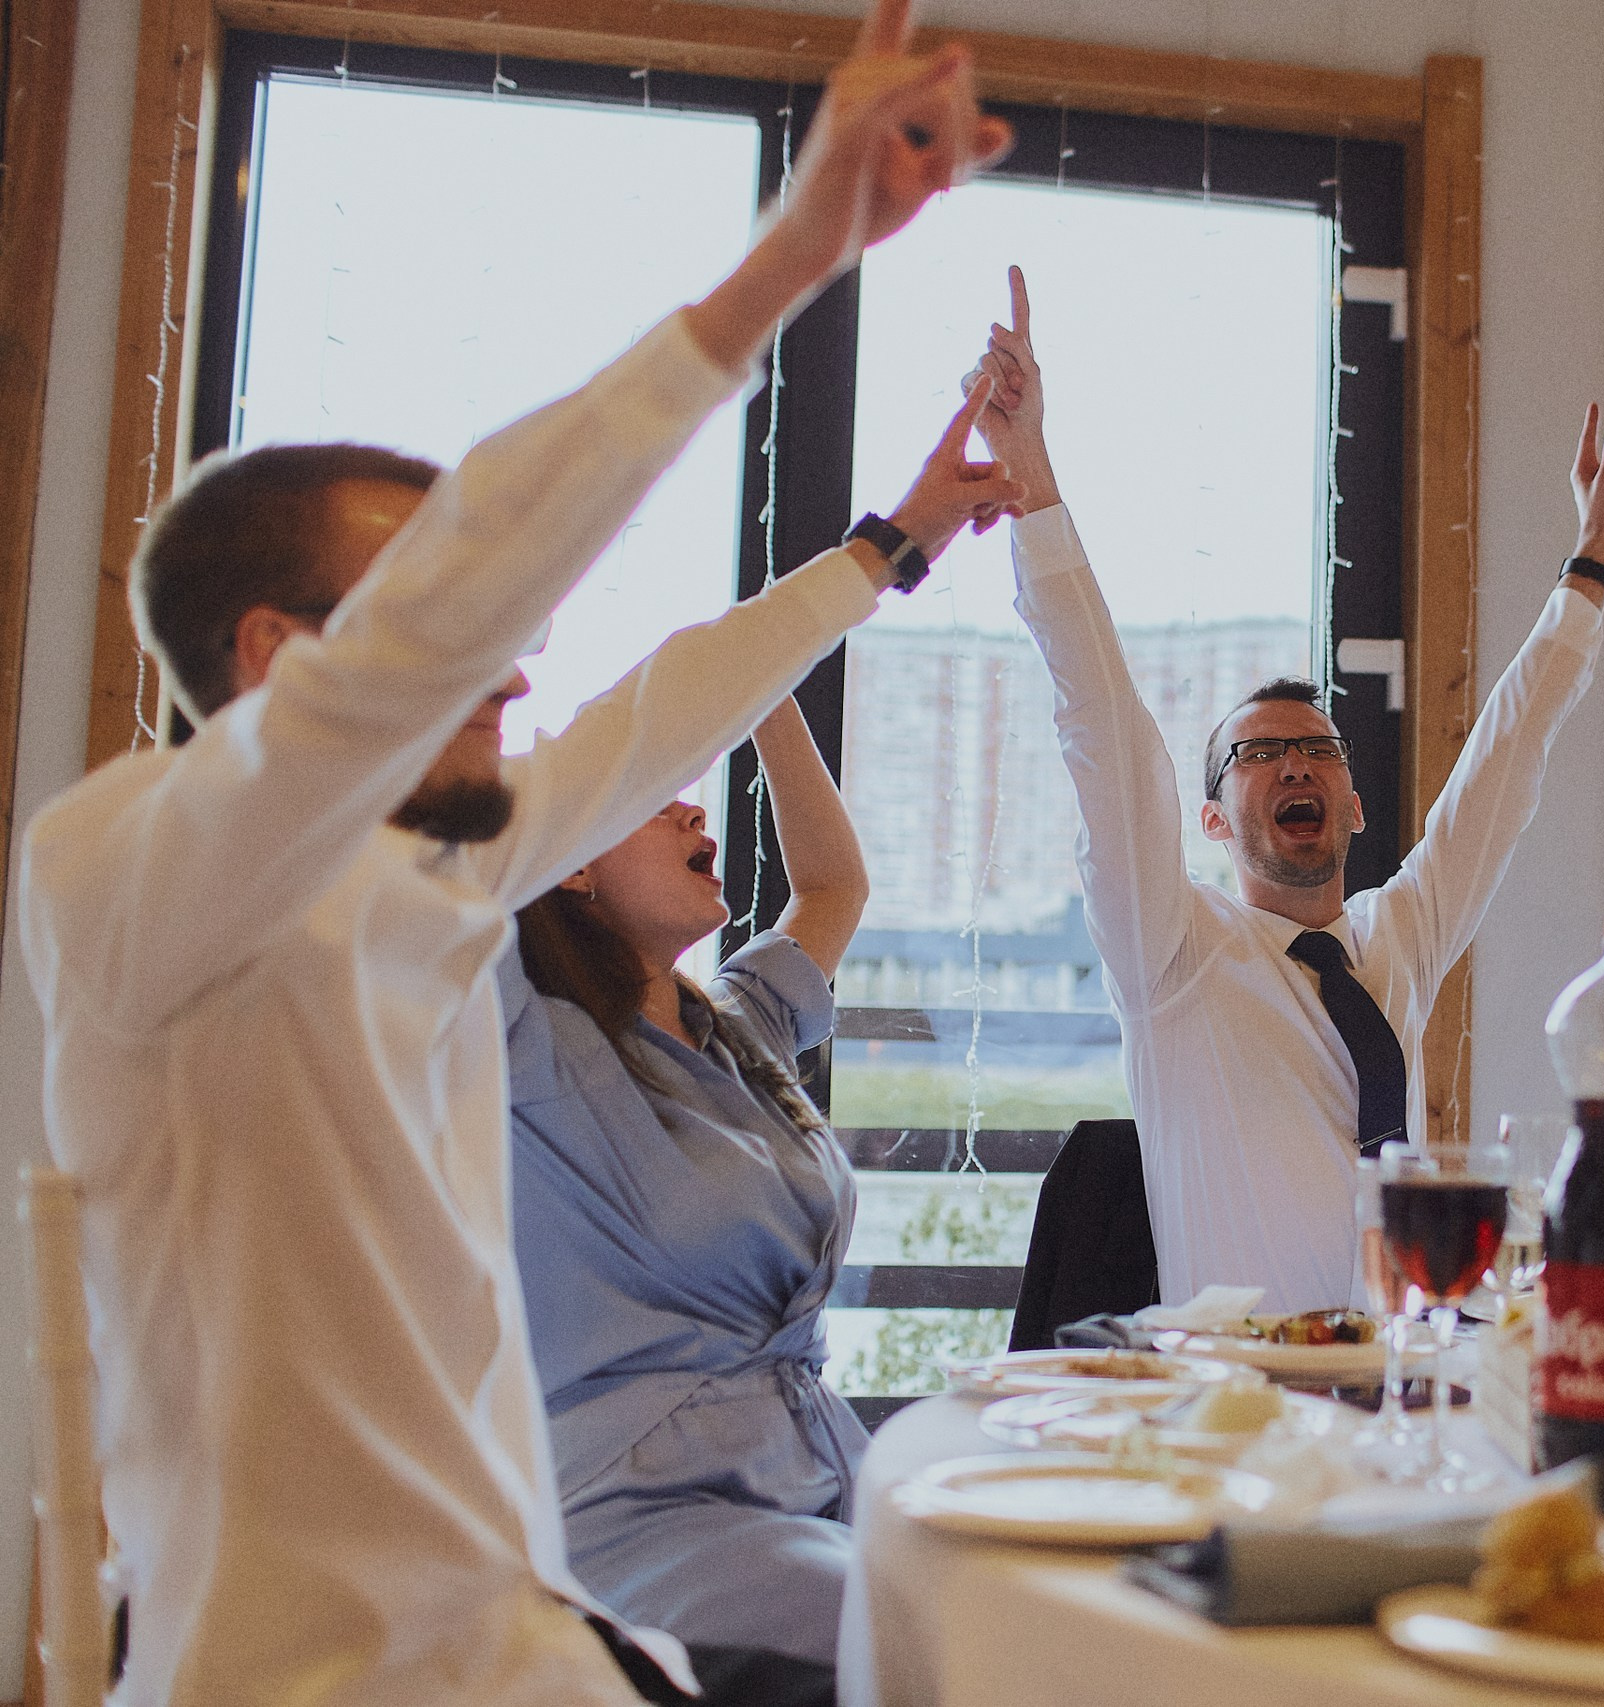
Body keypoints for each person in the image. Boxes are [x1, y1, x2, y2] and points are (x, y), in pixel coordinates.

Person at [15, 12, 1016, 1702]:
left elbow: (649, 712)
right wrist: (786, 260)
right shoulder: (123, 877)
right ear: (279, 661)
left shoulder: (432, 878)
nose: (517, 671)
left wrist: (889, 548)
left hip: (535, 1641)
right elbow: (470, 586)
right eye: (454, 630)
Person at [967, 267, 1604, 1313]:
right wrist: (1033, 481)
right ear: (1210, 820)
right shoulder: (1174, 952)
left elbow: (1502, 769)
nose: (1294, 765)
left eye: (1320, 751)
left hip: (1407, 1380)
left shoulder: (1393, 940)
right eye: (1257, 756)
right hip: (1241, 1405)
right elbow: (1103, 727)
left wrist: (1588, 570)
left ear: (1355, 804)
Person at [505, 689, 870, 1699]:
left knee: (1049, 1582)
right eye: (650, 800)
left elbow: (833, 886)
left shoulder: (738, 1025)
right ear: (567, 863)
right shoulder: (523, 1042)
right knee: (926, 1625)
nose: (694, 813)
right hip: (638, 1507)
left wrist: (769, 688)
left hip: (815, 1470)